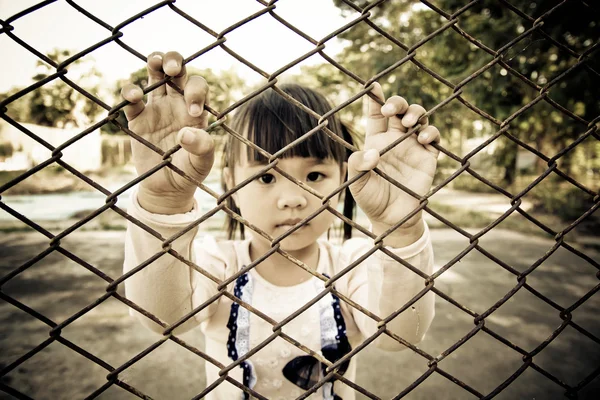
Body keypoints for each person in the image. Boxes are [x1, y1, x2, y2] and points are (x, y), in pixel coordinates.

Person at [121, 50, 440, 400]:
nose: (293, 198)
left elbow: (402, 333)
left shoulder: (351, 266)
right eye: (268, 177)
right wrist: (164, 203)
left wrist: (402, 231)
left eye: (315, 175)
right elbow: (163, 317)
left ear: (343, 179)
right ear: (231, 182)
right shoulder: (221, 264)